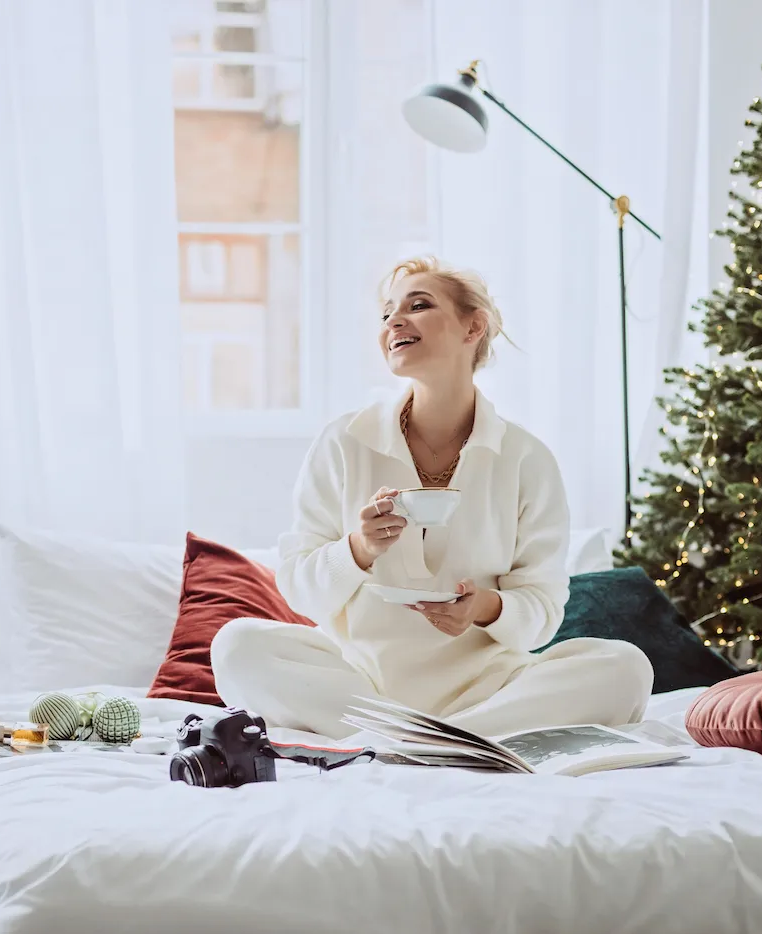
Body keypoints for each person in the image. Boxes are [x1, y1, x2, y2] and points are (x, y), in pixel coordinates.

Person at [211, 257, 653, 740]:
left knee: (626, 667)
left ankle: (419, 742)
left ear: (473, 326)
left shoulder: (526, 458)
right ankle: (447, 743)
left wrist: (483, 607)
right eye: (386, 314)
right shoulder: (344, 441)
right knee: (237, 646)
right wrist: (358, 548)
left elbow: (543, 615)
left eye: (418, 305)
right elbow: (298, 589)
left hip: (487, 687)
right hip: (358, 683)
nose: (393, 322)